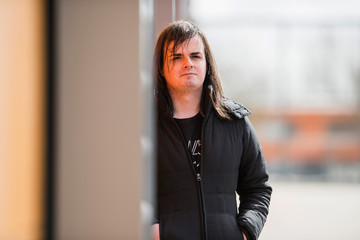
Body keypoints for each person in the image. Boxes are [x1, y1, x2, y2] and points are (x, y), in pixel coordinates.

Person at [152, 20, 272, 240]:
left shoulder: (235, 122)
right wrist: (153, 231)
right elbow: (127, 190)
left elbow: (258, 189)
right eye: (176, 57)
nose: (188, 63)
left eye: (195, 56)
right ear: (161, 67)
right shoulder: (145, 129)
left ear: (207, 63)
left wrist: (245, 232)